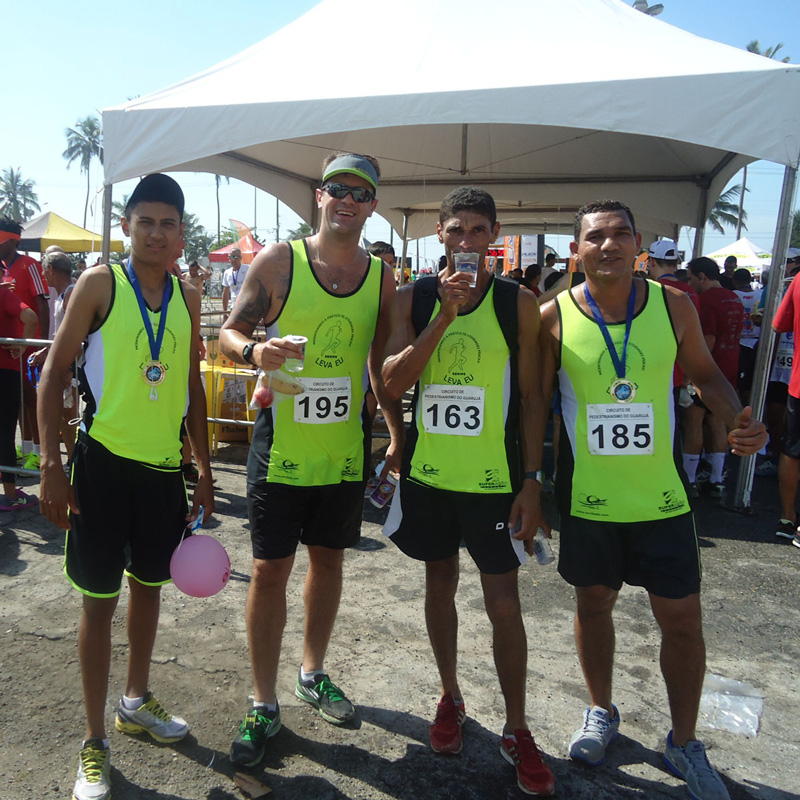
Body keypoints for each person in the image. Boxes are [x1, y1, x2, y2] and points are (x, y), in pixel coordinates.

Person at [539, 199, 766, 800]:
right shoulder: (551, 316)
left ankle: (685, 742)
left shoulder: (673, 304)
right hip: (589, 500)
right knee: (594, 608)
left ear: (638, 243)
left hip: (662, 499)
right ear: (576, 250)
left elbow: (705, 373)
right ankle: (600, 710)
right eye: (595, 236)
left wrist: (739, 418)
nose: (608, 245)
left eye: (620, 235)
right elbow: (534, 409)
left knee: (682, 622)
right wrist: (531, 485)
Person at [218, 153, 403, 767]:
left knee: (328, 563)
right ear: (319, 195)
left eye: (362, 192)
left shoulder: (381, 276)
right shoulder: (279, 261)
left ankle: (312, 671)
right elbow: (228, 332)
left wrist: (393, 430)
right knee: (270, 571)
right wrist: (257, 351)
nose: (348, 200)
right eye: (338, 188)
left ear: (373, 204)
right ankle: (263, 702)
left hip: (344, 451)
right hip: (281, 450)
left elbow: (381, 362)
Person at [36, 174, 214, 800]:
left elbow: (191, 386)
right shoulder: (99, 285)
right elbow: (53, 374)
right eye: (145, 222)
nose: (156, 233)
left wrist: (205, 468)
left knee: (149, 590)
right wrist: (52, 467)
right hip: (103, 466)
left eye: (168, 223)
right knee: (98, 600)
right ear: (127, 228)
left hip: (163, 472)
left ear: (180, 232)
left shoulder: (187, 299)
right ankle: (93, 742)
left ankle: (135, 701)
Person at [382, 186, 555, 796]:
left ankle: (517, 727)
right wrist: (445, 317)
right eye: (456, 230)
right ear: (439, 234)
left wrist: (532, 481)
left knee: (503, 603)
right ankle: (450, 696)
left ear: (495, 236)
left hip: (493, 481)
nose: (465, 242)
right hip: (432, 478)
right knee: (439, 585)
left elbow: (534, 398)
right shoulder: (416, 297)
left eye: (478, 230)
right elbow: (394, 379)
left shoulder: (519, 303)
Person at [683, 257, 744, 498]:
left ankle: (689, 478)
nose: (690, 283)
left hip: (708, 371)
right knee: (717, 422)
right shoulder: (734, 297)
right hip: (730, 367)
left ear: (702, 277)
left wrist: (690, 374)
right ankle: (717, 478)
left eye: (691, 278)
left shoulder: (706, 300)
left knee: (693, 421)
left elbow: (708, 339)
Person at [0, 219, 50, 470]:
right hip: (11, 349)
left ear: (10, 240)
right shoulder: (4, 268)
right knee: (17, 401)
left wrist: (44, 344)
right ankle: (27, 447)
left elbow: (42, 304)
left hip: (29, 345)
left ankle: (40, 453)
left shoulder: (30, 265)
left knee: (32, 399)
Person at [769, 249, 800, 546]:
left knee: (792, 450)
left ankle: (788, 518)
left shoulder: (799, 280)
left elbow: (778, 324)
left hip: (799, 384)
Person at [646, 239, 700, 401]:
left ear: (652, 261)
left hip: (657, 369)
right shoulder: (690, 292)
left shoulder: (651, 290)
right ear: (676, 262)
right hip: (683, 367)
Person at [0, 285, 38, 509]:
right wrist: (22, 346)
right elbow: (31, 317)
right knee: (5, 430)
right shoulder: (4, 294)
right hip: (5, 369)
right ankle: (12, 495)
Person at [221, 247, 249, 319]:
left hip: (247, 307)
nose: (233, 259)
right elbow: (226, 292)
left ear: (240, 258)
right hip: (233, 307)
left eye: (236, 256)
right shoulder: (227, 272)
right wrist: (224, 312)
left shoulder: (248, 269)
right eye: (231, 257)